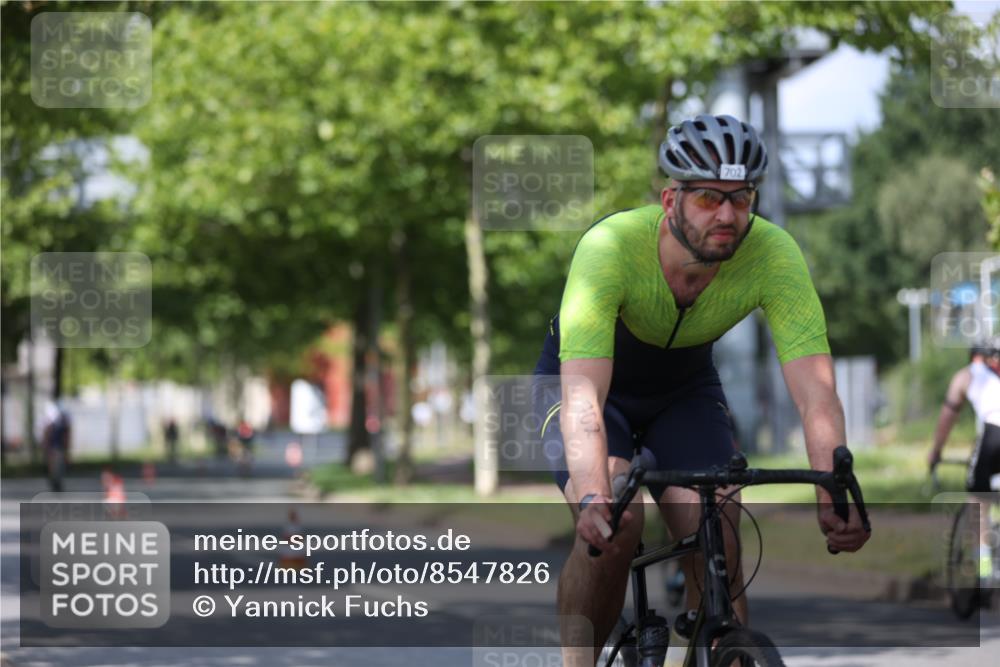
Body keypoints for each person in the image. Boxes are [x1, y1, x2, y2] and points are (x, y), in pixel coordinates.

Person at [532, 113, 870, 665]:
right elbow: (583, 400)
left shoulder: (774, 253)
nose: (729, 215)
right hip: (589, 390)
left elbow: (816, 391)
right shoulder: (610, 248)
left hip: (684, 390)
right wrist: (593, 495)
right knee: (616, 527)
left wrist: (832, 488)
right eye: (710, 197)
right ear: (671, 200)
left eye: (742, 198)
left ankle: (719, 644)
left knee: (718, 524)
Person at [928, 342, 1000, 583]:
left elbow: (947, 417)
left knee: (978, 502)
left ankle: (985, 570)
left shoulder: (967, 375)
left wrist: (935, 453)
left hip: (993, 436)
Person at [41, 400, 72, 492]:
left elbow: (67, 436)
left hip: (59, 447)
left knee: (58, 466)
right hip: (54, 447)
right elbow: (46, 435)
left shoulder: (62, 424)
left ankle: (57, 482)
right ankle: (54, 482)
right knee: (54, 466)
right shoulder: (52, 423)